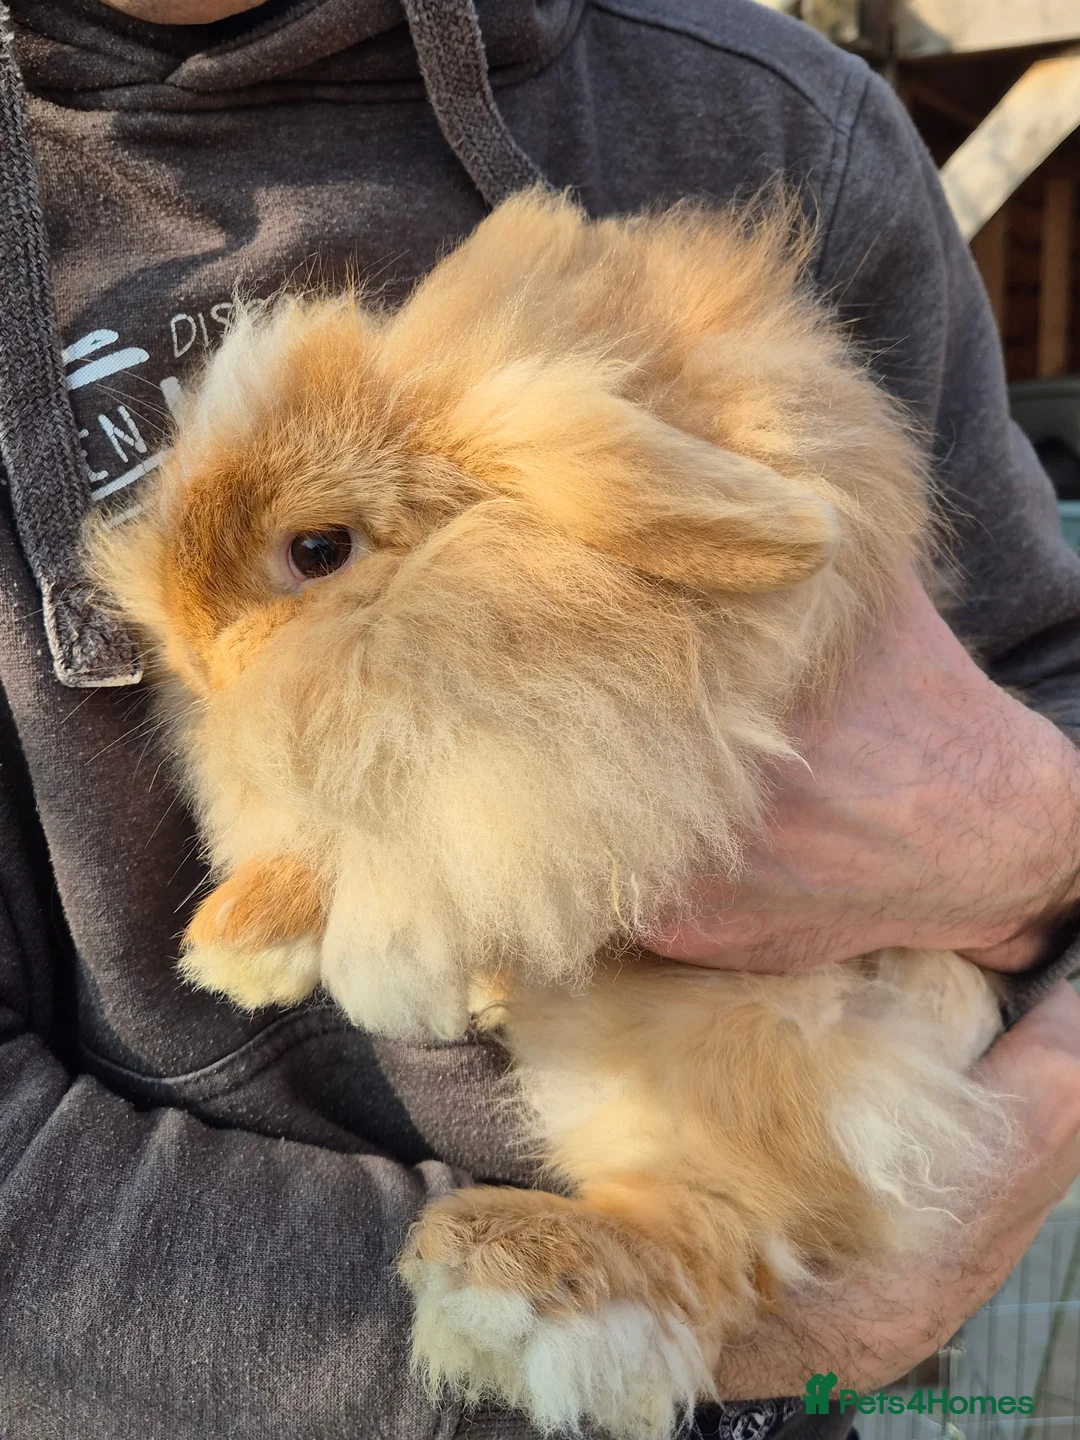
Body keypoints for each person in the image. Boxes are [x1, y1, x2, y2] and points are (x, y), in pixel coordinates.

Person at [1, 1, 1079, 1436]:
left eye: (316, 559)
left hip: (795, 1113)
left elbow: (1044, 663)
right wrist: (789, 1330)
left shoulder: (771, 115)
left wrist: (1021, 834)